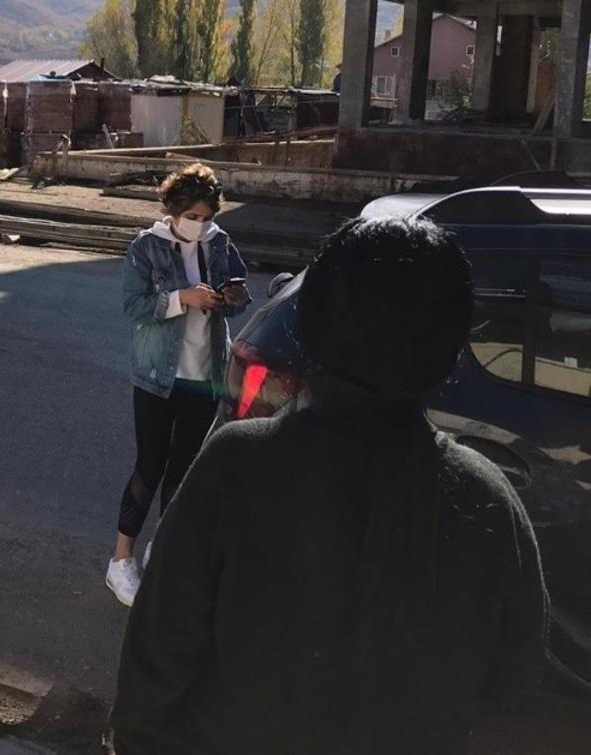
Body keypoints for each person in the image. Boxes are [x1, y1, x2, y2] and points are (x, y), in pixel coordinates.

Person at [112, 217, 548, 754]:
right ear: (452, 347)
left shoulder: (236, 468)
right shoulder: (486, 499)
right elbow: (515, 680)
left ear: (312, 328)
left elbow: (147, 685)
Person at [106, 164, 251, 607]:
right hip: (157, 376)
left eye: (207, 216)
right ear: (174, 210)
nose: (200, 225)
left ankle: (162, 550)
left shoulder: (220, 243)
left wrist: (230, 297)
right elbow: (133, 305)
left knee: (184, 469)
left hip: (204, 376)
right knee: (150, 465)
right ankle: (120, 561)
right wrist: (180, 299)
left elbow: (241, 297)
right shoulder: (147, 247)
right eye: (193, 215)